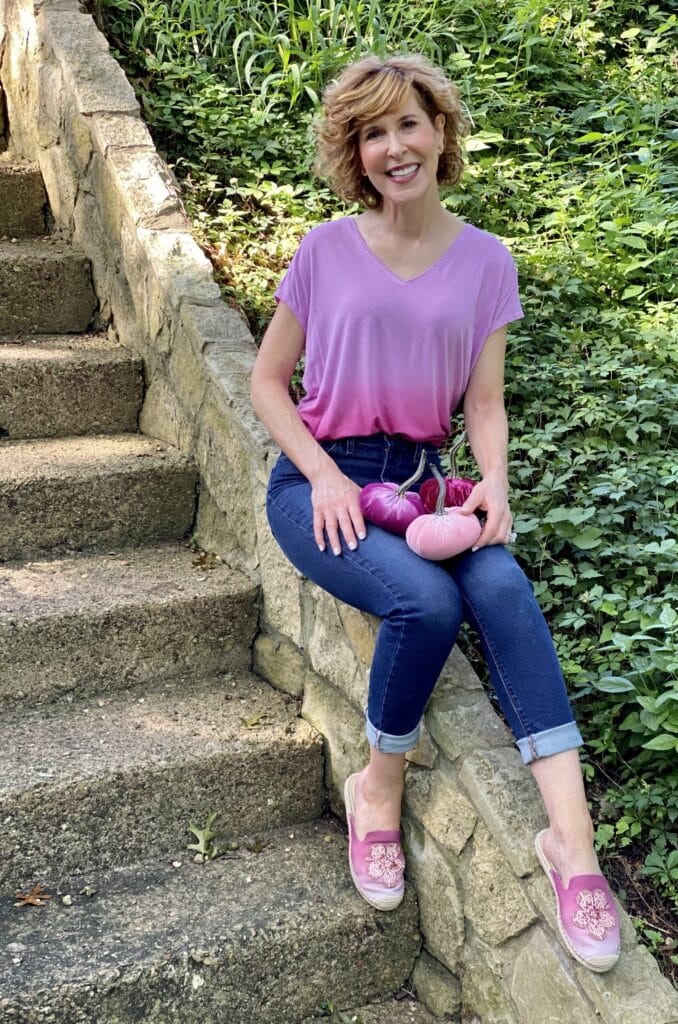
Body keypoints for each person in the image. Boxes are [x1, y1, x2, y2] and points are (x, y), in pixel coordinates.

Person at [250, 53, 621, 973]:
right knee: (427, 603)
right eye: (371, 133)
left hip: (424, 487)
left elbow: (484, 403)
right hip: (321, 484)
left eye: (406, 124)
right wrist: (324, 477)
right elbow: (266, 383)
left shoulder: (487, 262)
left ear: (440, 131)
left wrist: (493, 485)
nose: (392, 146)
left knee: (501, 585)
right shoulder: (324, 250)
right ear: (355, 153)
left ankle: (572, 849)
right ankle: (376, 788)